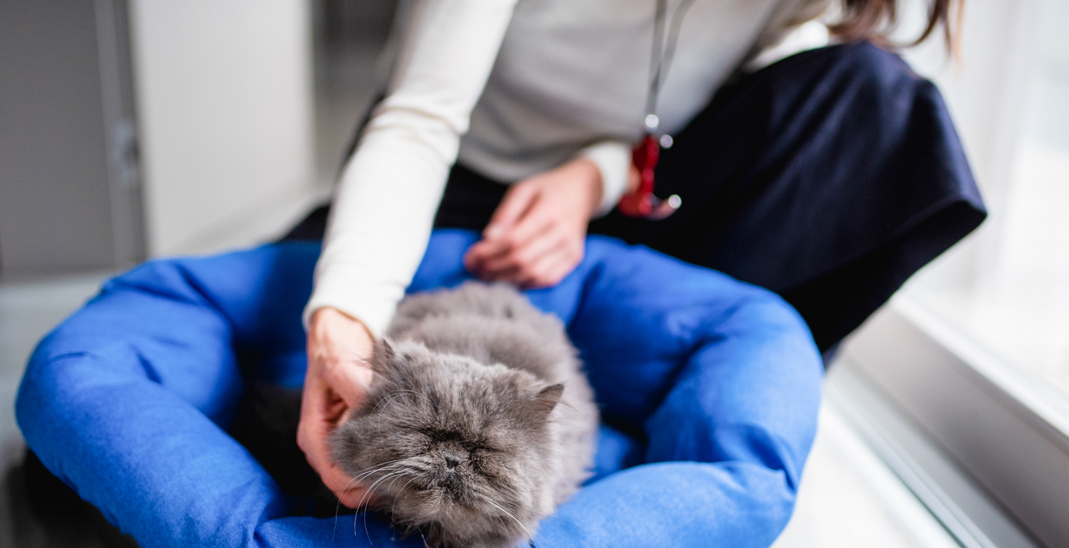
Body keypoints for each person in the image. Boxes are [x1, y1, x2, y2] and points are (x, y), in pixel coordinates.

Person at [291, 0, 984, 507]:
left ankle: (674, 415)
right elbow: (418, 120)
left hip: (621, 201)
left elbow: (707, 126)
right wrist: (342, 317)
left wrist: (596, 175)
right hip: (462, 189)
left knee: (880, 98)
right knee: (294, 348)